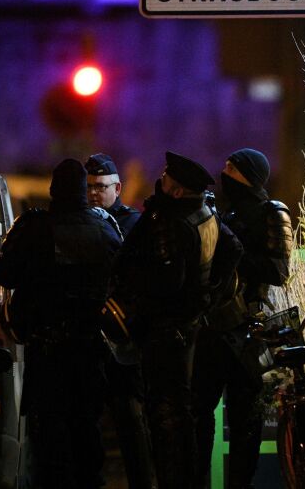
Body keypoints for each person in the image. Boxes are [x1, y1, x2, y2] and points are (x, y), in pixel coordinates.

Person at [113, 151, 242, 489]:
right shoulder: (205, 211)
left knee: (166, 414)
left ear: (176, 190)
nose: (162, 180)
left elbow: (166, 280)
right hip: (189, 326)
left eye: (167, 179)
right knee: (182, 412)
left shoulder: (169, 221)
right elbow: (233, 249)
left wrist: (139, 298)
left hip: (166, 329)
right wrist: (211, 293)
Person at [0, 159, 123, 489]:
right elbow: (121, 280)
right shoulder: (106, 229)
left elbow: (5, 273)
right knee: (86, 431)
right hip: (92, 348)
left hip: (48, 349)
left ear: (53, 189)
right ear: (84, 190)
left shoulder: (35, 228)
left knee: (50, 439)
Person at [192, 148, 293, 489]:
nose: (223, 171)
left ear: (247, 175)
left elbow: (277, 271)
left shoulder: (271, 213)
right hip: (210, 329)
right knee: (199, 414)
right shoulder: (217, 211)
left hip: (248, 330)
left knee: (245, 421)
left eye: (230, 168)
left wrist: (235, 252)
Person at [84, 152, 156, 489]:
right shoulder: (84, 223)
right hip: (90, 335)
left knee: (130, 421)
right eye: (90, 187)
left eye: (101, 186)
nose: (95, 193)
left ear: (118, 188)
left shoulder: (133, 225)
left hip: (123, 336)